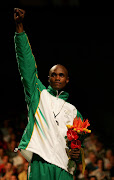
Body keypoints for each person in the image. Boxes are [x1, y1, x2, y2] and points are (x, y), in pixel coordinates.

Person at [14, 8, 84, 180]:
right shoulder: (39, 95)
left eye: (61, 75)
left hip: (64, 167)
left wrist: (77, 152)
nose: (57, 77)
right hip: (41, 162)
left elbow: (79, 145)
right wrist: (20, 29)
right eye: (53, 74)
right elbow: (27, 66)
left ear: (67, 80)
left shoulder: (74, 111)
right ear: (48, 78)